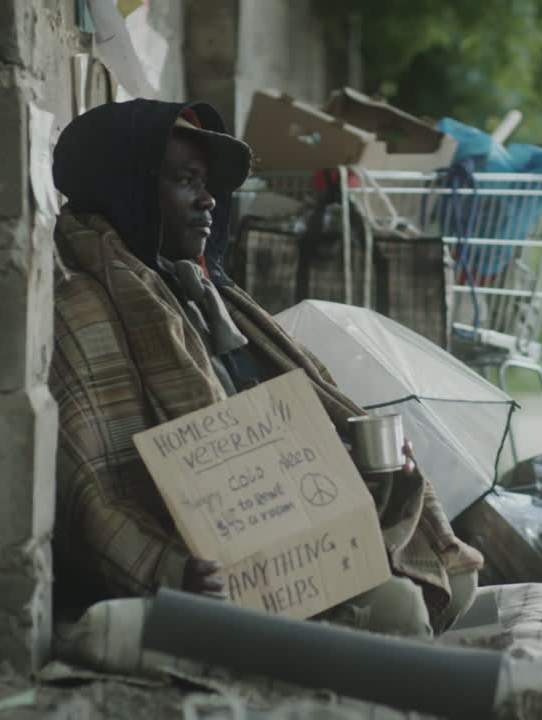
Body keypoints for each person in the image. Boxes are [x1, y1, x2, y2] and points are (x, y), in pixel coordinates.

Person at [48, 99, 482, 637]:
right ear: (126, 186)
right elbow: (93, 494)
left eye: (208, 184)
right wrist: (173, 570)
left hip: (280, 532)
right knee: (399, 610)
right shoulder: (77, 306)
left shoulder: (200, 292)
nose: (208, 201)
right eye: (185, 180)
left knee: (456, 583)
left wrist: (360, 465)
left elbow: (264, 431)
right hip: (199, 569)